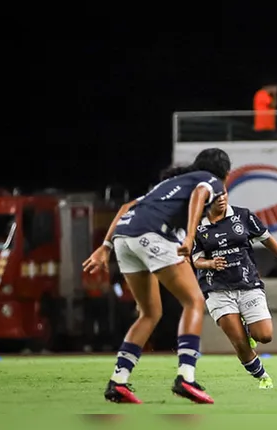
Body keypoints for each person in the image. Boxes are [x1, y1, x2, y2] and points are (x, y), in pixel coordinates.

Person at [82, 147, 232, 405]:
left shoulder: (171, 183)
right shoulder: (210, 181)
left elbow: (129, 205)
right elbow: (200, 194)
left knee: (150, 313)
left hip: (124, 238)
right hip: (152, 235)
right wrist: (190, 236)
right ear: (224, 174)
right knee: (194, 301)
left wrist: (105, 247)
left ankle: (118, 381)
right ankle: (186, 376)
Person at [192, 188, 277, 390]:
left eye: (224, 193)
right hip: (217, 289)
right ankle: (263, 377)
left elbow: (267, 238)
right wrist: (209, 264)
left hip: (247, 283)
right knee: (240, 342)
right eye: (217, 196)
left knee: (265, 336)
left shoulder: (243, 215)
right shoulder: (197, 225)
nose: (222, 198)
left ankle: (249, 328)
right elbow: (196, 260)